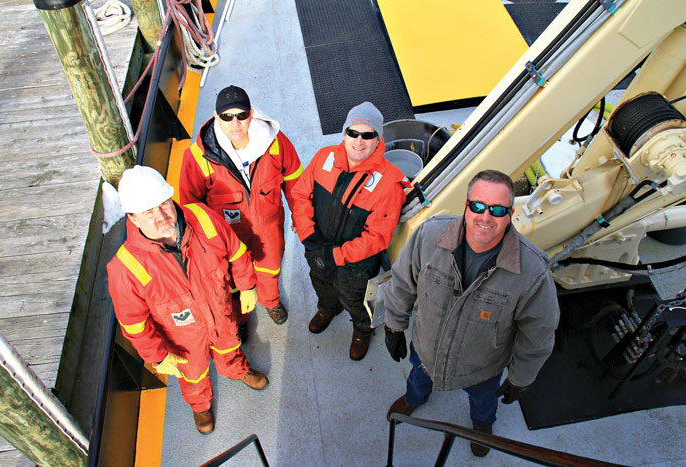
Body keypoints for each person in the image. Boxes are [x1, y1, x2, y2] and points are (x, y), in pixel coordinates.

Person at [383, 169, 559, 457]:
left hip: (482, 369)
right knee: (418, 377)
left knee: (483, 401)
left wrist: (521, 378)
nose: (486, 217)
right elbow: (402, 282)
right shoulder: (428, 236)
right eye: (477, 206)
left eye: (498, 210)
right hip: (426, 350)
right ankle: (415, 399)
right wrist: (393, 326)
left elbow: (538, 333)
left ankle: (481, 426)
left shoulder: (532, 272)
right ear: (466, 206)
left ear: (510, 213)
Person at [107, 166, 269, 435]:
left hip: (220, 312)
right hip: (181, 338)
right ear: (133, 219)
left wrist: (247, 285)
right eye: (149, 212)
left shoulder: (202, 216)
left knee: (229, 346)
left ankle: (237, 370)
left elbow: (236, 250)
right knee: (193, 375)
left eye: (164, 204)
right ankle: (200, 405)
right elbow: (134, 325)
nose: (161, 217)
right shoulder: (125, 268)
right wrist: (157, 357)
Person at [292, 102, 410, 360]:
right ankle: (327, 309)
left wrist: (333, 256)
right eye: (353, 133)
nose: (359, 141)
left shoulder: (389, 183)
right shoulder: (324, 157)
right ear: (344, 134)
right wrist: (309, 239)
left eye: (367, 135)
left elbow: (377, 238)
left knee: (356, 300)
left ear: (378, 139)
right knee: (321, 283)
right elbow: (300, 195)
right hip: (317, 248)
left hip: (355, 265)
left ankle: (362, 331)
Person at [179, 85, 303, 327]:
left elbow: (295, 179)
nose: (235, 123)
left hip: (268, 226)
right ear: (216, 117)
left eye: (241, 115)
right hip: (226, 234)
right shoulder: (197, 156)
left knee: (270, 266)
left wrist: (299, 214)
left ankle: (270, 300)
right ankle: (240, 316)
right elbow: (190, 203)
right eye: (227, 116)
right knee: (231, 276)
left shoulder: (276, 143)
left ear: (251, 114)